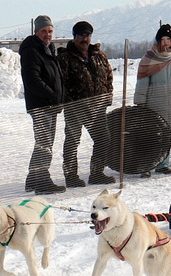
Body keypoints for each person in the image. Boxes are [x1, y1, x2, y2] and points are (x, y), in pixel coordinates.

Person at [57, 20, 114, 186]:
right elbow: (61, 83)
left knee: (103, 139)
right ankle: (71, 176)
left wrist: (107, 96)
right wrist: (69, 102)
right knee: (73, 141)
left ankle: (97, 173)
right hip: (75, 107)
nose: (85, 39)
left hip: (97, 106)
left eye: (87, 35)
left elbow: (108, 76)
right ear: (74, 37)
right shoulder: (65, 58)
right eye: (81, 35)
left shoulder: (99, 55)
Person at [134, 24, 171, 174]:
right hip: (153, 103)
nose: (166, 42)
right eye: (163, 39)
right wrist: (140, 101)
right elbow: (142, 81)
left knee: (168, 135)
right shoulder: (149, 58)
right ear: (158, 41)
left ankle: (162, 164)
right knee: (151, 135)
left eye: (168, 39)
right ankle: (146, 165)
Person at [18, 14, 65, 194]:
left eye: (50, 31)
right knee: (44, 143)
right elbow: (33, 80)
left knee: (43, 142)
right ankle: (42, 181)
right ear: (36, 31)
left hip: (50, 105)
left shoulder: (48, 49)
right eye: (44, 31)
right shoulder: (32, 50)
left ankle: (33, 179)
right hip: (41, 105)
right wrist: (52, 96)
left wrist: (60, 96)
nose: (47, 34)